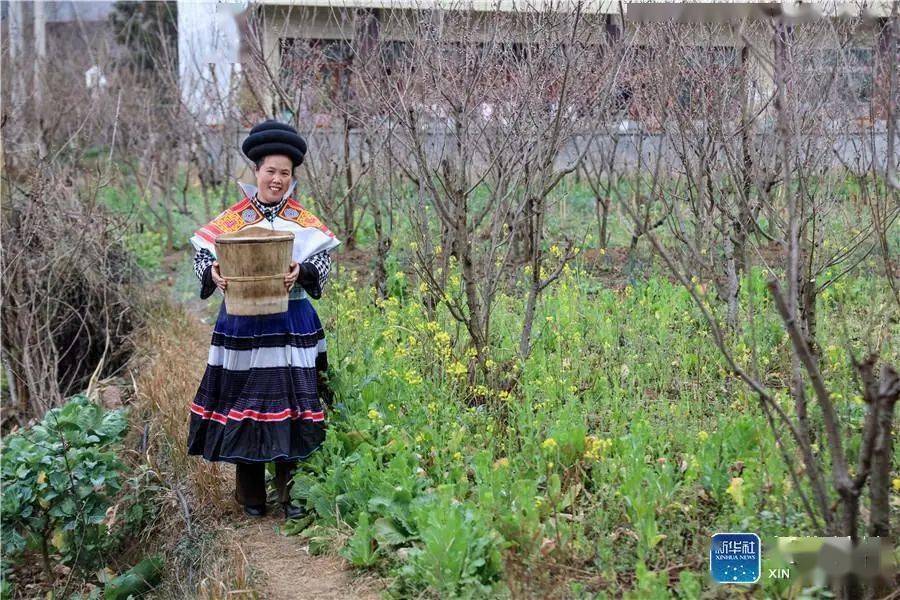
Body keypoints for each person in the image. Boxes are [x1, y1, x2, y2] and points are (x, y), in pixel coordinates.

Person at [186, 120, 340, 519]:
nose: (277, 179)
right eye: (270, 171)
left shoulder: (305, 222)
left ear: (292, 178)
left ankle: (292, 494)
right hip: (244, 325)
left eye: (284, 173)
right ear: (256, 172)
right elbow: (203, 257)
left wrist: (301, 272)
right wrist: (214, 274)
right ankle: (251, 495)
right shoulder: (231, 221)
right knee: (247, 401)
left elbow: (322, 264)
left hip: (291, 323)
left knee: (293, 403)